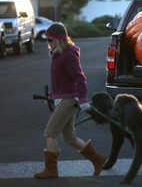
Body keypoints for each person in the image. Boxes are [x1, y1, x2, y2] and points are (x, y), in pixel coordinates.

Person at [34, 22, 107, 179]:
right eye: (47, 39)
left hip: (69, 100)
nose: (47, 42)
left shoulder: (68, 55)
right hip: (63, 98)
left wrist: (83, 99)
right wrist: (52, 96)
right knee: (69, 138)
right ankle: (97, 159)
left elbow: (79, 78)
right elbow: (62, 80)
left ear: (59, 40)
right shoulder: (58, 54)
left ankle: (51, 170)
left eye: (50, 39)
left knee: (50, 132)